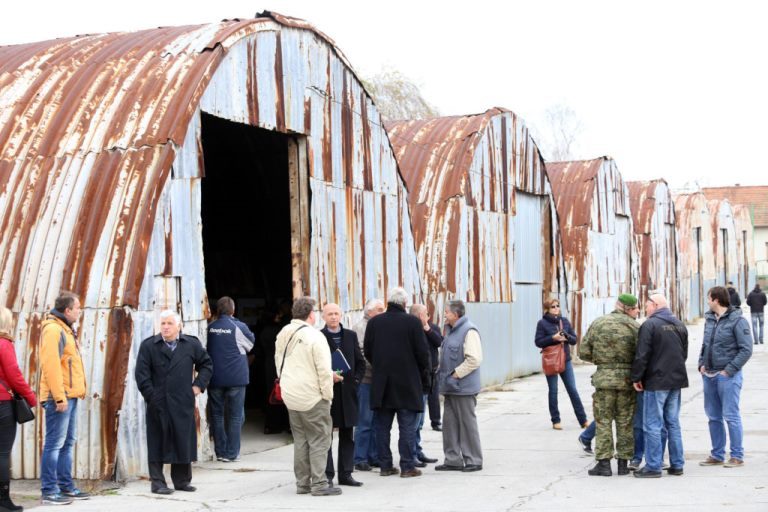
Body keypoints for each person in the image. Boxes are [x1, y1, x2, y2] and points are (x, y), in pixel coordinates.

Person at [135, 310, 213, 494]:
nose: (166, 327)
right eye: (163, 323)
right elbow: (142, 375)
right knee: (157, 441)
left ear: (179, 326)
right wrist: (152, 396)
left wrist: (198, 386)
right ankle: (158, 483)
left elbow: (207, 365)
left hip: (182, 401)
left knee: (182, 439)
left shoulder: (191, 344)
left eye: (170, 323)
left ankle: (182, 481)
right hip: (158, 402)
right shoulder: (149, 346)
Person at [275, 297, 342, 496]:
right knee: (320, 440)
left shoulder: (283, 333)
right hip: (312, 396)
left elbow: (278, 363)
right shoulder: (314, 336)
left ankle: (302, 484)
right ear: (311, 314)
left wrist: (287, 385)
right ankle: (320, 484)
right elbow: (323, 370)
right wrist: (327, 396)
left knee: (301, 440)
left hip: (291, 395)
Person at [363, 287, 430, 478]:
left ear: (389, 302)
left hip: (382, 383)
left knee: (382, 427)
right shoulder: (412, 322)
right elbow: (422, 353)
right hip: (407, 383)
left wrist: (380, 365)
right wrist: (422, 373)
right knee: (407, 427)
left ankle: (385, 466)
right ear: (404, 303)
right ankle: (407, 466)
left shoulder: (375, 322)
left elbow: (368, 350)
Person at [579, 294, 639, 477]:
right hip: (627, 380)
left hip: (604, 379)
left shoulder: (599, 323)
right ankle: (623, 463)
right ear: (630, 308)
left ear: (617, 305)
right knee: (625, 422)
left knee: (603, 421)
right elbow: (642, 353)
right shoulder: (635, 327)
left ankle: (603, 464)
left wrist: (602, 361)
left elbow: (583, 352)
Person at [39, 292, 89, 505]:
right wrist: (59, 398)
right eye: (77, 307)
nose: (79, 311)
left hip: (70, 395)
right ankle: (49, 491)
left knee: (67, 443)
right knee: (54, 444)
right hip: (59, 398)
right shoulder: (53, 330)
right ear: (67, 310)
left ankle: (65, 486)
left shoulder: (66, 329)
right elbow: (50, 367)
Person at [631, 294, 688, 478]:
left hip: (656, 382)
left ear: (655, 305)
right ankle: (677, 464)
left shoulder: (650, 325)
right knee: (673, 423)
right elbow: (683, 353)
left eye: (647, 305)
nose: (645, 309)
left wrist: (636, 377)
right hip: (676, 380)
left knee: (652, 425)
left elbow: (642, 355)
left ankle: (653, 466)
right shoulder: (679, 324)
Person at [698, 286, 753, 468]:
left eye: (708, 298)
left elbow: (746, 349)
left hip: (728, 376)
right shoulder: (709, 320)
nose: (707, 301)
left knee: (731, 416)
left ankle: (737, 456)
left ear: (716, 299)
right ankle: (717, 454)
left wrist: (729, 370)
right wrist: (701, 364)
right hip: (709, 375)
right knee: (713, 417)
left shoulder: (738, 321)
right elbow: (706, 344)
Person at [435, 300, 484, 473]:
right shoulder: (450, 331)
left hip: (463, 387)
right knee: (449, 425)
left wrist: (454, 375)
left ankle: (473, 460)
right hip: (450, 388)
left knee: (467, 424)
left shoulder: (469, 331)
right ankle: (452, 459)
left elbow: (474, 360)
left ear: (455, 315)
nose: (445, 315)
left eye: (447, 312)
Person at [320, 303, 365, 487]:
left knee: (348, 435)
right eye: (330, 314)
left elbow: (361, 362)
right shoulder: (319, 337)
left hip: (348, 393)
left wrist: (355, 381)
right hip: (328, 393)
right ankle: (328, 475)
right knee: (326, 437)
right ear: (323, 316)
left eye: (336, 314)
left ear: (341, 315)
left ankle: (346, 474)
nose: (333, 317)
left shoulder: (350, 335)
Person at [206, 297, 255, 462]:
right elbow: (250, 344)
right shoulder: (238, 326)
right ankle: (232, 453)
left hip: (215, 378)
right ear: (233, 310)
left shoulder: (210, 327)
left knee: (217, 415)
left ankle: (220, 452)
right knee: (235, 416)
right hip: (236, 377)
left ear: (217, 310)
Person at [0, 307, 37, 511]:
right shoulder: (4, 344)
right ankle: (3, 501)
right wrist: (31, 397)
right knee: (2, 452)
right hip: (3, 403)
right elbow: (14, 376)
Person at [534, 298, 588, 430]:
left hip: (566, 360)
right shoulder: (542, 323)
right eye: (553, 306)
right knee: (553, 391)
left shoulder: (564, 321)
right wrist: (553, 338)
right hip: (551, 360)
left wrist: (566, 337)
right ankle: (555, 420)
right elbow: (538, 342)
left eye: (558, 306)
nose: (556, 308)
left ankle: (583, 420)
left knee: (572, 390)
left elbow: (574, 340)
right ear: (547, 309)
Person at [352, 299, 385, 472]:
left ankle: (373, 456)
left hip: (378, 379)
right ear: (369, 311)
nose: (383, 311)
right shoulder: (360, 327)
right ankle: (359, 458)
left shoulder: (379, 325)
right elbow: (362, 353)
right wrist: (380, 364)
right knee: (364, 421)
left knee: (376, 420)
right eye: (379, 309)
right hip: (366, 379)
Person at [409, 304, 441, 466]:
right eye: (424, 314)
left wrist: (427, 328)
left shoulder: (432, 327)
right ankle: (412, 453)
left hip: (432, 373)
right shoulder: (410, 329)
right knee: (415, 420)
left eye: (427, 314)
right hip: (418, 378)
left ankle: (418, 450)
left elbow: (438, 341)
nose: (426, 317)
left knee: (421, 419)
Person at [259, 303, 292, 434]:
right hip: (282, 362)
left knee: (271, 393)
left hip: (269, 363)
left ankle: (272, 424)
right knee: (284, 393)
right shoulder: (282, 330)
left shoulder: (264, 331)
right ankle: (285, 424)